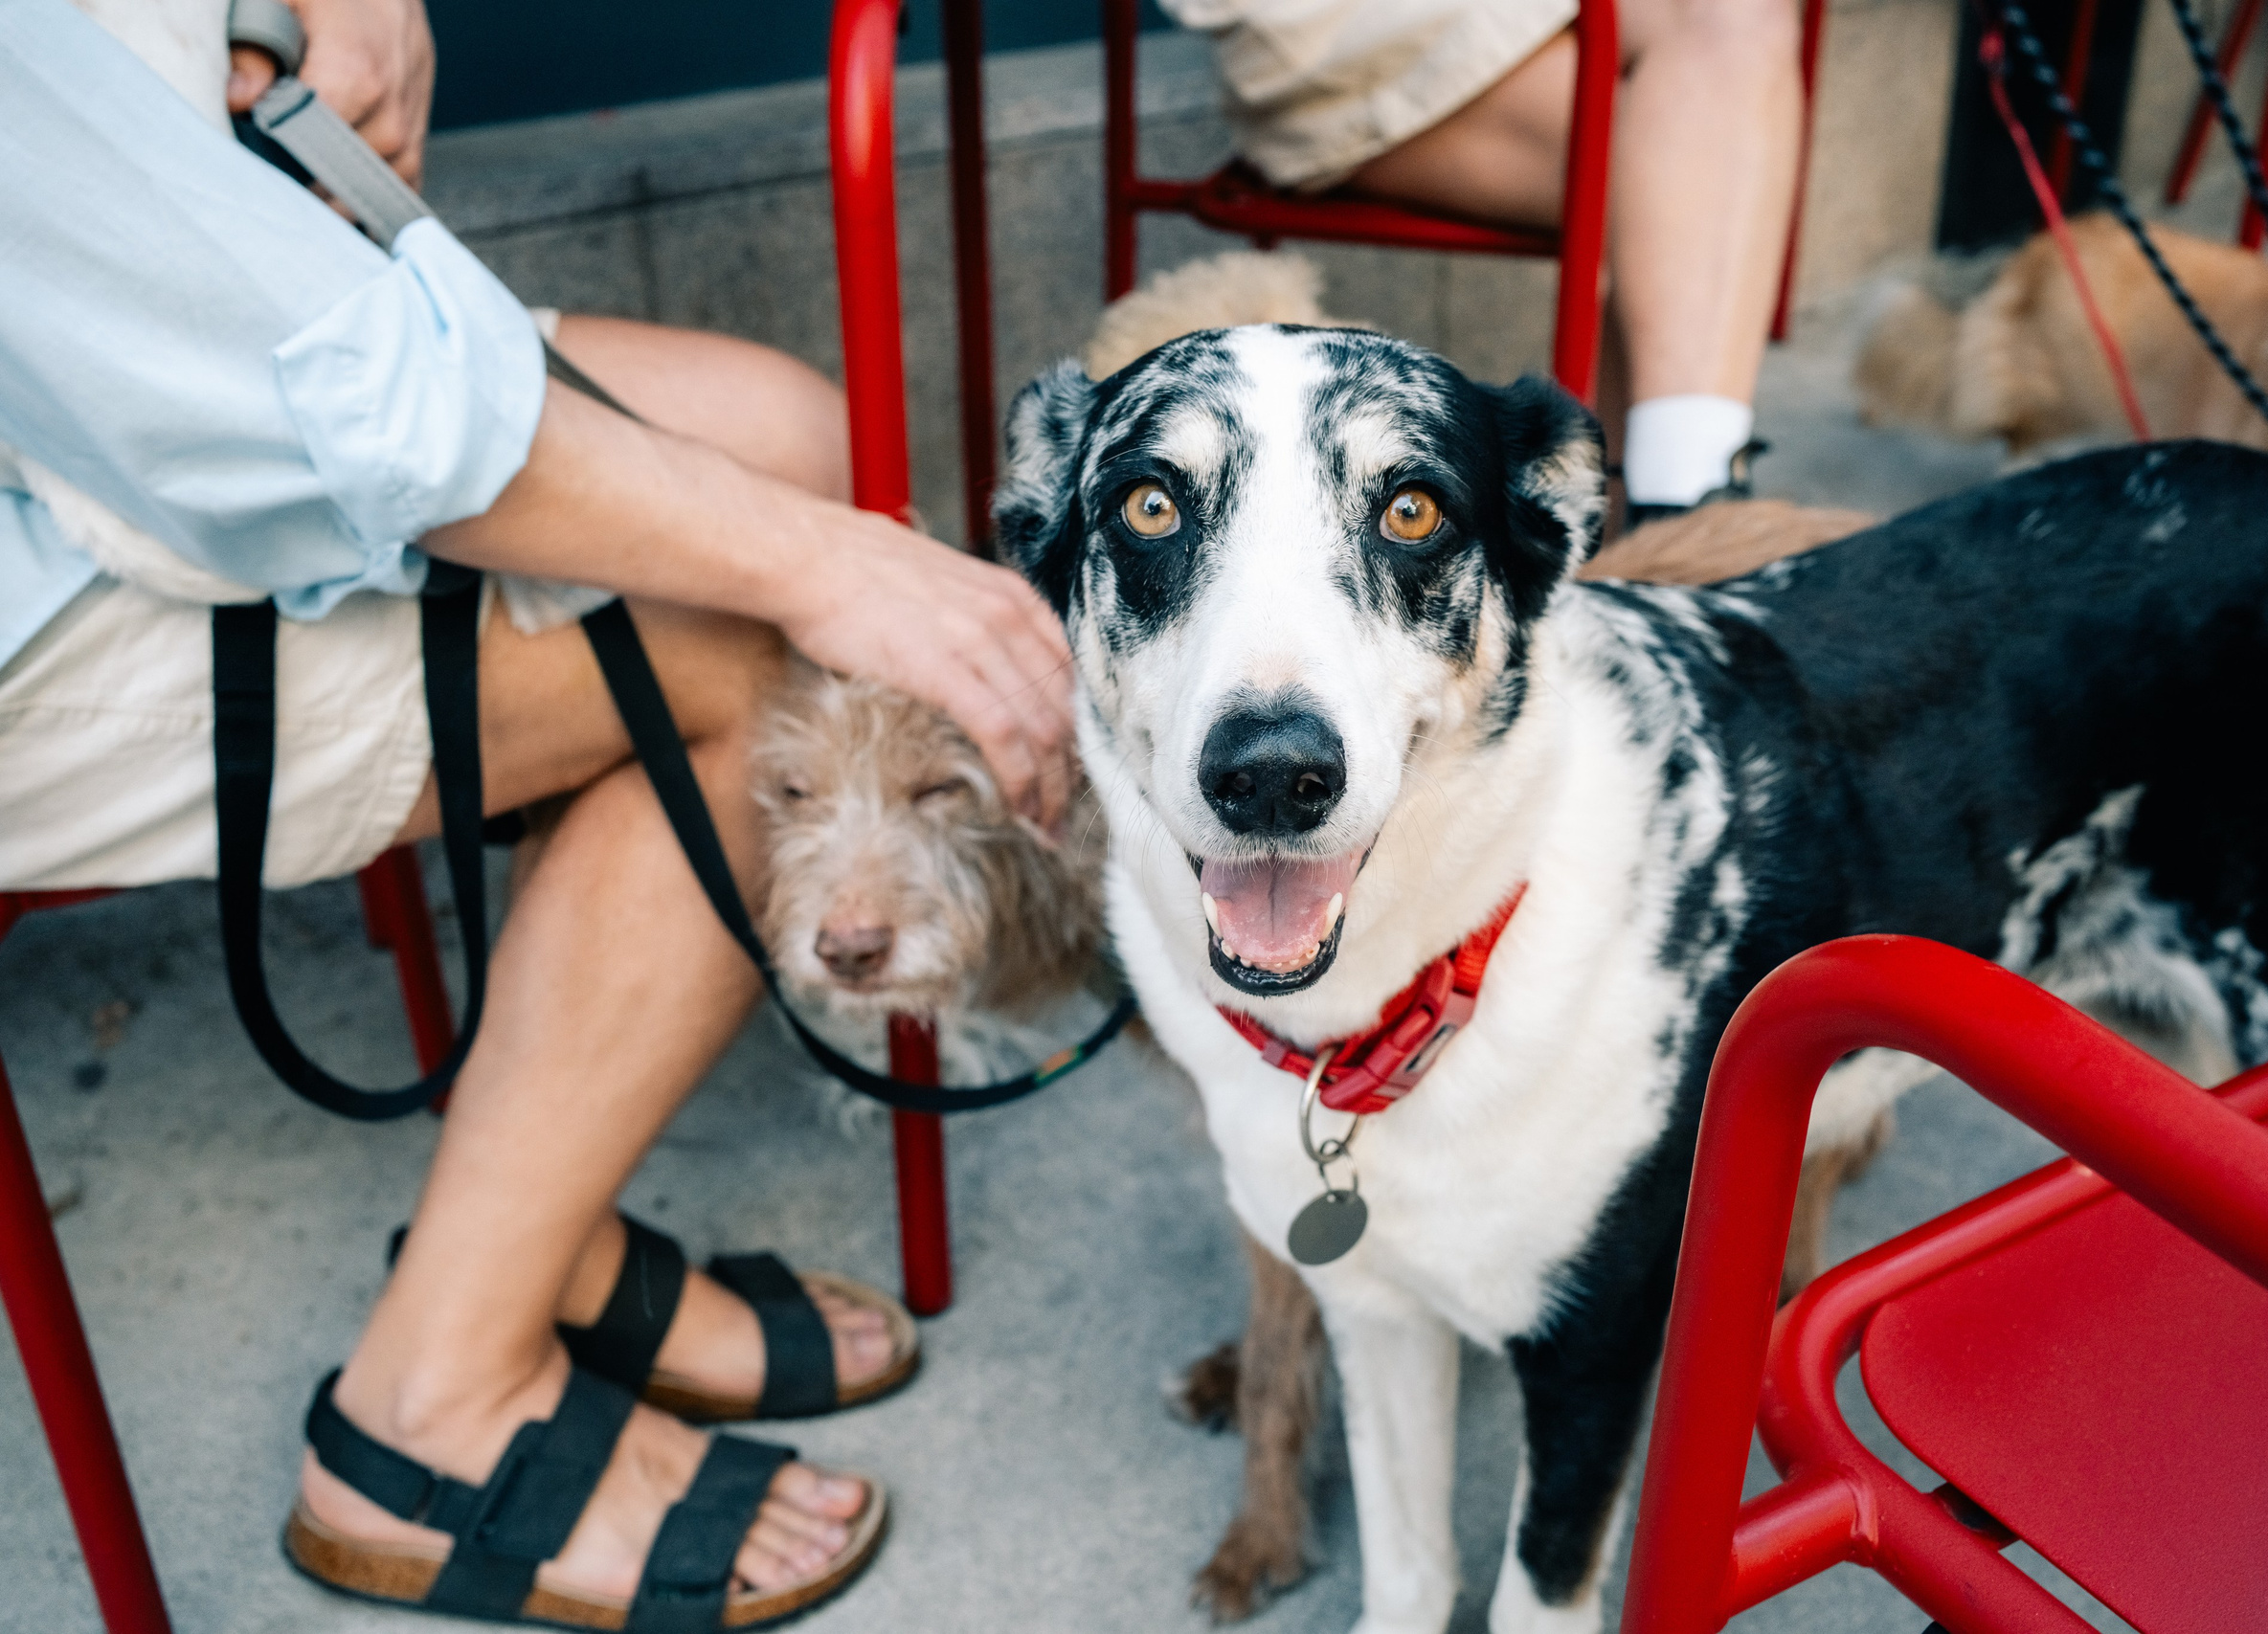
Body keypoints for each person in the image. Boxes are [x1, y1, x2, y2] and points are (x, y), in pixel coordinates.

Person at [0, 0, 1074, 1623]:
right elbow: (274, 391)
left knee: (787, 435)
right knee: (743, 640)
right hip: (57, 535)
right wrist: (821, 562)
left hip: (106, 367)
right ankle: (426, 1409)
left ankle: (537, 1231)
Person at [1158, 0, 1802, 528]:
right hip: (1350, 38)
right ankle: (1684, 517)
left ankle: (1669, 511)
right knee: (1687, 153)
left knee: (1718, 64)